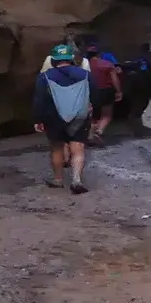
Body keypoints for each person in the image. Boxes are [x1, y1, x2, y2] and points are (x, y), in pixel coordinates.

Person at [32, 44, 93, 193]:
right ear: (71, 59)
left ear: (53, 60)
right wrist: (92, 110)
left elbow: (39, 99)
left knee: (57, 148)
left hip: (53, 117)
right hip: (79, 116)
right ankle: (76, 179)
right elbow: (95, 94)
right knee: (78, 149)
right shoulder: (84, 74)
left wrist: (38, 119)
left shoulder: (45, 76)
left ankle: (58, 180)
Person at [84, 43, 122, 144]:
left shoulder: (84, 66)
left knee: (93, 115)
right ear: (99, 53)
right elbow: (114, 79)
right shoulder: (107, 64)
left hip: (91, 91)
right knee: (107, 114)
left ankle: (91, 135)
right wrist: (118, 91)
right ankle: (99, 131)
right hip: (106, 90)